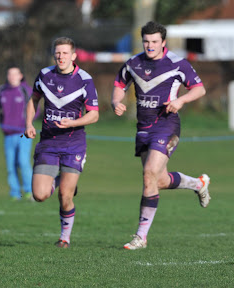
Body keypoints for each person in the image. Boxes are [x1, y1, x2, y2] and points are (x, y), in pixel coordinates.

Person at [111, 21, 210, 250]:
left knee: (149, 174)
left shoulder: (177, 63)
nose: (150, 45)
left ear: (163, 42)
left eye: (155, 41)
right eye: (146, 41)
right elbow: (119, 84)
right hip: (143, 128)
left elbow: (199, 89)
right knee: (158, 180)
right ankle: (198, 184)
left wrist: (180, 100)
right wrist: (117, 102)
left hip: (167, 124)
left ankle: (140, 237)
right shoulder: (134, 63)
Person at [25, 37, 99, 248]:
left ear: (73, 56)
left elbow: (94, 115)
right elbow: (34, 99)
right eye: (58, 53)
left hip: (73, 143)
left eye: (65, 53)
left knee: (65, 196)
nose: (61, 56)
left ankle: (64, 237)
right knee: (39, 195)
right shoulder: (45, 75)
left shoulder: (84, 79)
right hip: (48, 142)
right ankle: (59, 179)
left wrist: (73, 122)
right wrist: (29, 122)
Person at [0, 65, 34, 201]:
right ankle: (14, 193)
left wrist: (27, 123)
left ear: (20, 76)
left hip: (23, 133)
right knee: (11, 164)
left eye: (15, 74)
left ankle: (30, 191)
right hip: (8, 134)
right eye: (9, 74)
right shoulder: (2, 91)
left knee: (23, 162)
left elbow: (35, 109)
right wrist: (3, 126)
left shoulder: (25, 90)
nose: (12, 77)